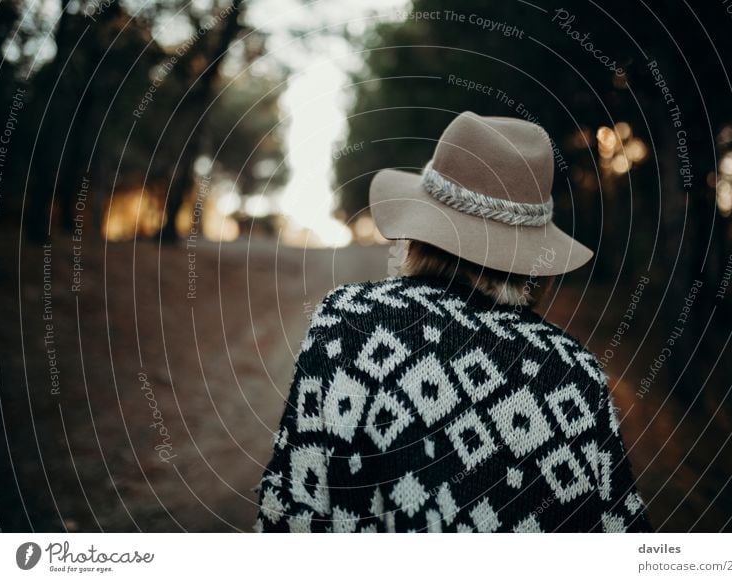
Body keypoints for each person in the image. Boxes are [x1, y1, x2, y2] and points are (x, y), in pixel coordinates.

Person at [255, 111, 651, 532]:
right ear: (536, 253)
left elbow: (290, 512)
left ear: (419, 231)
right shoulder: (577, 376)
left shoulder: (348, 324)